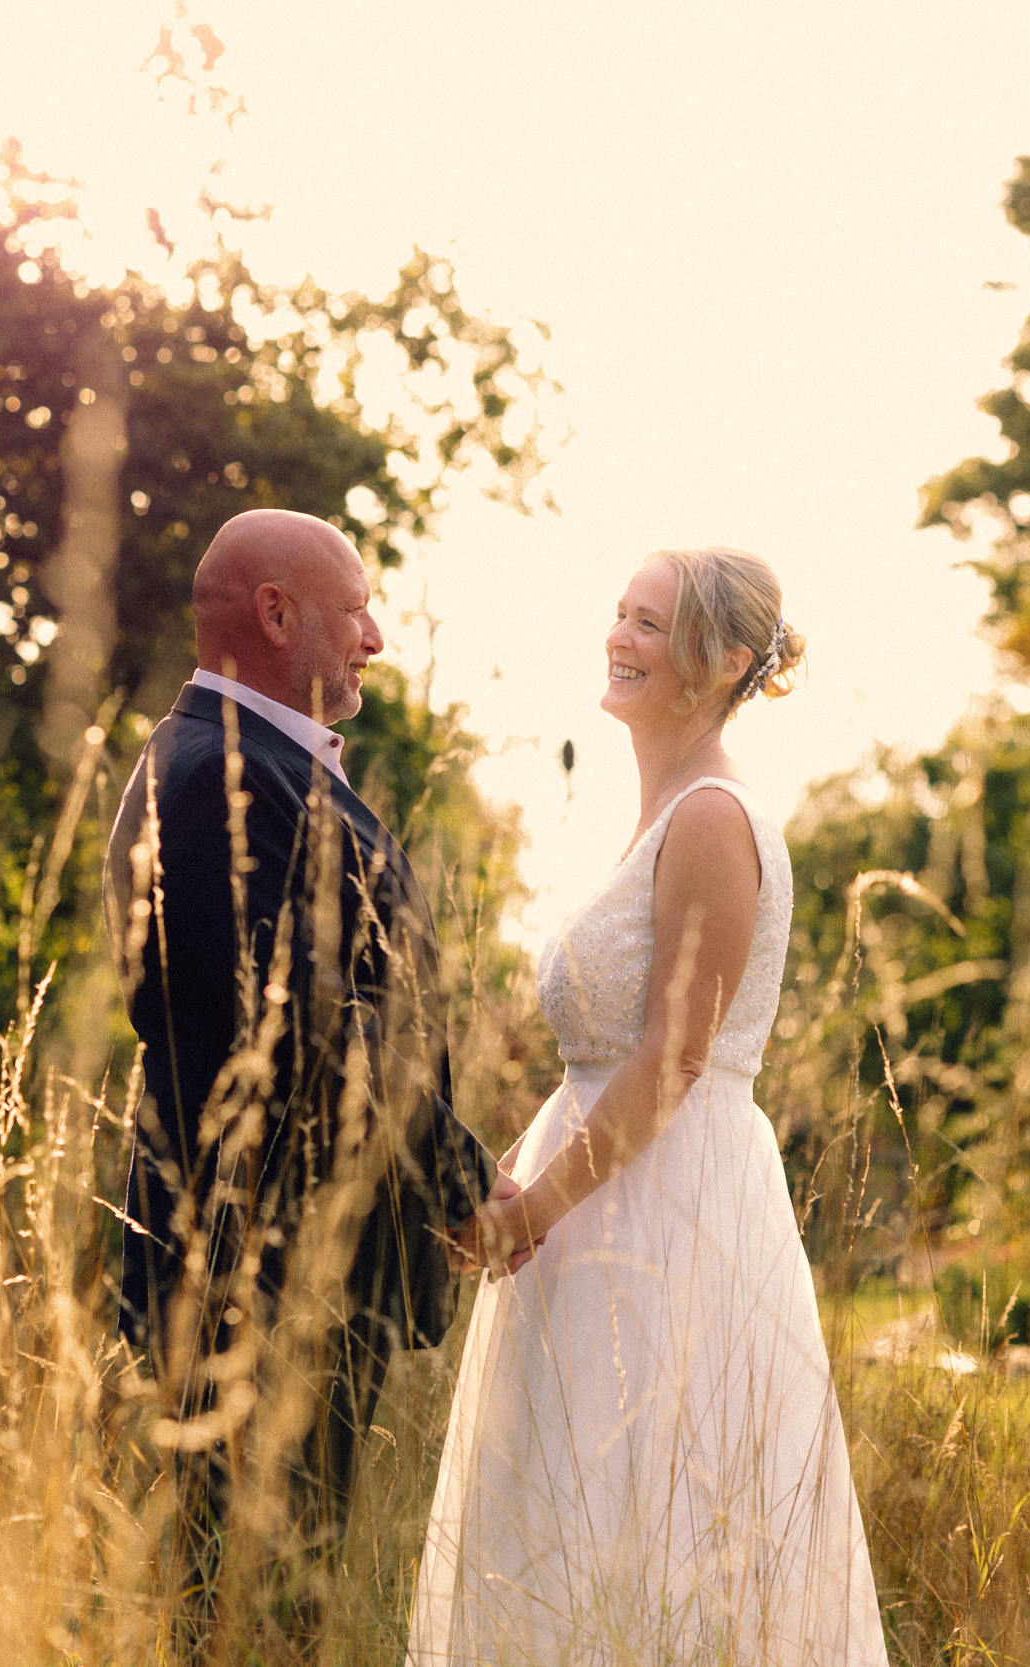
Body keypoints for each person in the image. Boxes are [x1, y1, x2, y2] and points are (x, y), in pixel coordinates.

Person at [408, 549, 890, 1665]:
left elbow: (674, 1057)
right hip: (594, 1199)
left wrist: (530, 1211)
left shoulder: (714, 818)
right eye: (618, 614)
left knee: (660, 1508)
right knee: (572, 1513)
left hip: (664, 1211)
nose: (618, 639)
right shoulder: (655, 813)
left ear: (722, 662)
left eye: (649, 624)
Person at [103, 508, 505, 1651]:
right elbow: (306, 1037)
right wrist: (462, 1178)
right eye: (356, 606)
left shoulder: (257, 762)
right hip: (251, 1278)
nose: (374, 635)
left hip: (289, 1272)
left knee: (279, 1603)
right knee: (250, 1612)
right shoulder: (214, 777)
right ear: (277, 615)